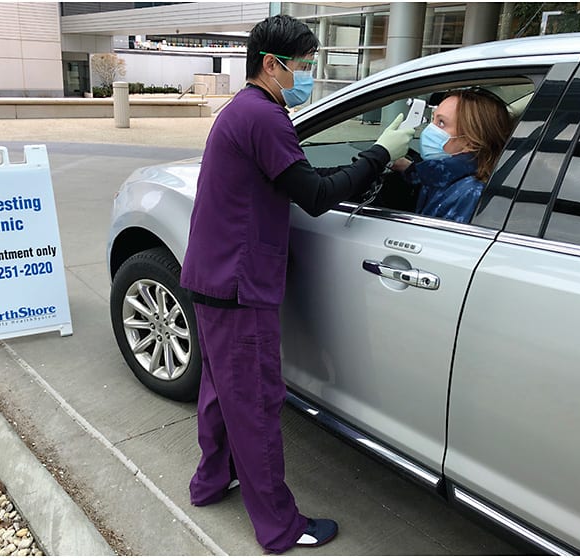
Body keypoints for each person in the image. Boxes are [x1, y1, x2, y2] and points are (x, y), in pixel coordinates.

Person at [179, 14, 414, 554]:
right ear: (271, 64)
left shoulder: (243, 111)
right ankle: (281, 529)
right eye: (303, 65)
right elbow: (313, 193)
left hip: (213, 278)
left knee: (221, 393)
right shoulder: (264, 117)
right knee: (256, 404)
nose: (308, 73)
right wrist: (381, 151)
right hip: (240, 286)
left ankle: (212, 482)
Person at [390, 89, 513, 223]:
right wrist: (407, 168)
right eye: (433, 119)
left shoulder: (471, 193)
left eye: (441, 123)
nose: (430, 129)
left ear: (470, 142)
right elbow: (435, 178)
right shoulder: (448, 175)